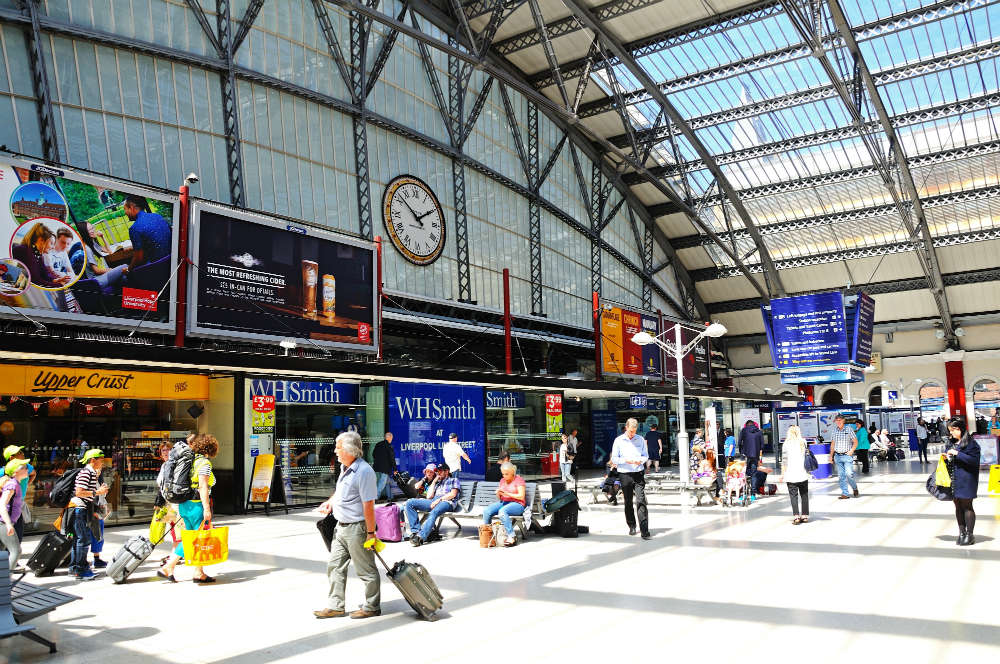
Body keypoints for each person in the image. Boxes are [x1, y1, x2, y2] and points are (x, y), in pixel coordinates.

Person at [313, 431, 381, 619]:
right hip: (340, 527)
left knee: (366, 570)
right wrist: (330, 502)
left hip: (357, 528)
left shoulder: (364, 471)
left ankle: (372, 606)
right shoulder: (345, 467)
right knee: (335, 566)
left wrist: (370, 533)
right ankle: (336, 606)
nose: (335, 451)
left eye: (339, 447)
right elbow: (340, 491)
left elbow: (368, 504)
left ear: (350, 450)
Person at [158, 434, 218, 583]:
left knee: (190, 539)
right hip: (197, 505)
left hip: (185, 504)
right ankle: (173, 568)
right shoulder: (203, 463)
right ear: (210, 448)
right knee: (199, 539)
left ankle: (193, 570)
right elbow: (203, 485)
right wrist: (206, 508)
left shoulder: (190, 461)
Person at [67, 449, 109, 581]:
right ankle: (81, 570)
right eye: (100, 459)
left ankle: (74, 568)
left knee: (78, 539)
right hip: (79, 509)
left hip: (80, 508)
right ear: (93, 460)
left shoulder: (90, 472)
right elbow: (79, 492)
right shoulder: (86, 472)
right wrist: (98, 491)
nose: (102, 462)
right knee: (83, 540)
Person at [609, 418, 650, 539]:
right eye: (631, 431)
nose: (632, 433)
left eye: (634, 431)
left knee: (641, 500)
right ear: (626, 428)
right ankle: (631, 525)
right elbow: (614, 459)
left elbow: (645, 455)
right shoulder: (618, 440)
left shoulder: (640, 439)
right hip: (625, 473)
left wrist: (640, 460)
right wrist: (626, 460)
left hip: (638, 473)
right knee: (628, 501)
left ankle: (644, 529)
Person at [404, 464, 460, 547]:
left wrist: (439, 500)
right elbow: (429, 496)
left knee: (434, 511)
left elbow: (453, 494)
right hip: (434, 501)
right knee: (410, 503)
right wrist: (434, 482)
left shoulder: (454, 480)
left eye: (440, 471)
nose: (438, 473)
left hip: (447, 502)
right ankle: (416, 531)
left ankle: (421, 537)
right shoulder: (438, 482)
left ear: (447, 472)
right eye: (437, 471)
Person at [945, 417, 981, 546]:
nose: (952, 433)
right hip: (954, 479)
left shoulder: (971, 443)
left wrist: (957, 453)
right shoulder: (950, 442)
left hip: (967, 479)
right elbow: (948, 455)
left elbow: (974, 461)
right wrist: (946, 455)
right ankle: (961, 532)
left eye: (954, 430)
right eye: (950, 430)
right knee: (958, 506)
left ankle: (970, 534)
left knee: (967, 506)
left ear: (960, 428)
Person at [482, 462, 526, 547]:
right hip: (504, 502)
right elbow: (500, 498)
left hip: (517, 504)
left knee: (502, 511)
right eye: (503, 474)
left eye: (507, 474)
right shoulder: (502, 481)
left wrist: (507, 493)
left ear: (512, 472)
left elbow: (521, 496)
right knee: (487, 511)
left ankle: (512, 536)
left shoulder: (519, 480)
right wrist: (498, 493)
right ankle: (489, 535)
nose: (504, 476)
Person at [12, 223, 69, 288]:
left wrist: (55, 280)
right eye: (51, 243)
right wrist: (60, 285)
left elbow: (44, 275)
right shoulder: (25, 251)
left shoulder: (37, 254)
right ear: (41, 240)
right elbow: (35, 281)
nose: (53, 247)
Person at [124, 195, 171, 270]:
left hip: (157, 268)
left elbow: (139, 259)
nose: (125, 213)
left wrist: (128, 269)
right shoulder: (157, 216)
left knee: (123, 277)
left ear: (132, 207)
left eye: (125, 209)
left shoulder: (134, 228)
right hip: (171, 261)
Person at [0, 458, 29, 572]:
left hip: (4, 523)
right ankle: (5, 581)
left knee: (2, 552)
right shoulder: (12, 484)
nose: (27, 469)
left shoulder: (15, 483)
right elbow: (2, 505)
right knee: (16, 551)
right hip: (3, 523)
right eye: (24, 468)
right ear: (16, 472)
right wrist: (8, 524)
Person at [782, 425, 810, 525]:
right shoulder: (803, 442)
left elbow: (784, 461)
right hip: (802, 473)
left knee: (793, 496)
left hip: (791, 473)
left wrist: (782, 473)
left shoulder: (786, 443)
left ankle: (796, 516)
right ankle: (805, 516)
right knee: (804, 495)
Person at [830, 415, 859, 499]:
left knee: (849, 474)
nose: (838, 422)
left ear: (843, 421)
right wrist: (830, 456)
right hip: (837, 456)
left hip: (847, 456)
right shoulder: (834, 430)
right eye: (836, 420)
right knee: (841, 476)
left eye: (840, 420)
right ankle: (845, 493)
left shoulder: (849, 429)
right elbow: (832, 444)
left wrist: (851, 451)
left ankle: (854, 488)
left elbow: (855, 442)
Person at [739, 420, 764, 496]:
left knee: (743, 473)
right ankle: (753, 493)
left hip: (746, 455)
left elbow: (739, 442)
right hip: (755, 456)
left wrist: (741, 451)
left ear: (746, 425)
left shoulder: (744, 430)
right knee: (754, 474)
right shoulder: (759, 432)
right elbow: (762, 445)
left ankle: (744, 491)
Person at [371, 432, 395, 502]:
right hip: (385, 468)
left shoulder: (378, 444)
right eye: (391, 438)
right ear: (389, 438)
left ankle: (390, 497)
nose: (391, 440)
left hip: (377, 467)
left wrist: (379, 461)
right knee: (382, 483)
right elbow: (392, 459)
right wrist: (395, 469)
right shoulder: (389, 446)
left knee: (387, 482)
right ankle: (376, 497)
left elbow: (373, 454)